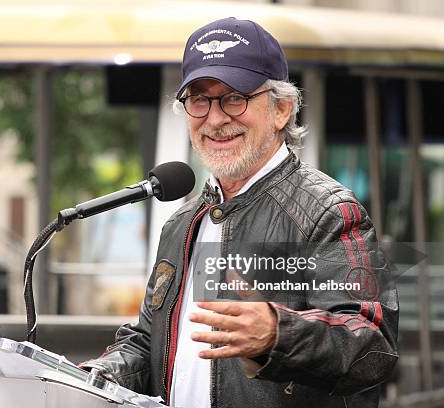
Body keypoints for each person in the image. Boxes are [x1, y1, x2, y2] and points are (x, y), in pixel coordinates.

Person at [80, 17, 398, 408]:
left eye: (235, 97)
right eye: (199, 99)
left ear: (281, 109)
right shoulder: (182, 225)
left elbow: (373, 346)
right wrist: (99, 374)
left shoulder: (329, 212)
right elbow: (151, 340)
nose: (215, 119)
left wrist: (277, 334)